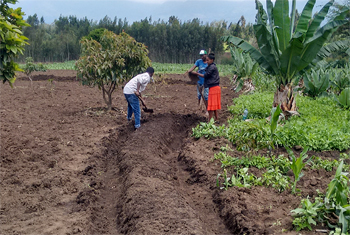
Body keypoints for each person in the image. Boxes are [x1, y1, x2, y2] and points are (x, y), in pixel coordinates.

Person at [195, 53, 221, 122]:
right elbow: (206, 69)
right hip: (214, 87)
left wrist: (197, 74)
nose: (206, 62)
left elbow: (205, 75)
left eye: (208, 60)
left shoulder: (212, 67)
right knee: (214, 105)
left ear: (212, 60)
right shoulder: (211, 66)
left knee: (211, 106)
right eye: (206, 60)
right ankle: (217, 119)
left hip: (214, 88)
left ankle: (210, 122)